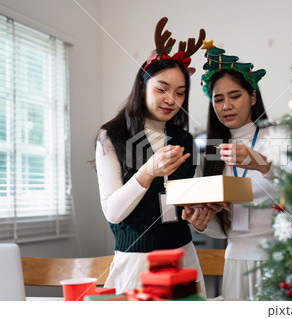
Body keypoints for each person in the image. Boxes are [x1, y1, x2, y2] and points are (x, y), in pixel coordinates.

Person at [95, 17, 207, 296]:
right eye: (162, 89)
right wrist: (147, 172)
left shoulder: (185, 140)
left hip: (183, 257)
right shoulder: (111, 136)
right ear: (142, 86)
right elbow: (113, 212)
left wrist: (197, 215)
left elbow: (181, 205)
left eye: (180, 93)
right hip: (136, 263)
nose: (172, 99)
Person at [182, 41, 277, 300]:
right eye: (218, 99)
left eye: (235, 96)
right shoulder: (213, 151)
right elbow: (223, 228)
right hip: (235, 258)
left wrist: (261, 164)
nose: (226, 106)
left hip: (279, 257)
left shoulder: (279, 136)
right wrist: (202, 222)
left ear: (253, 97)